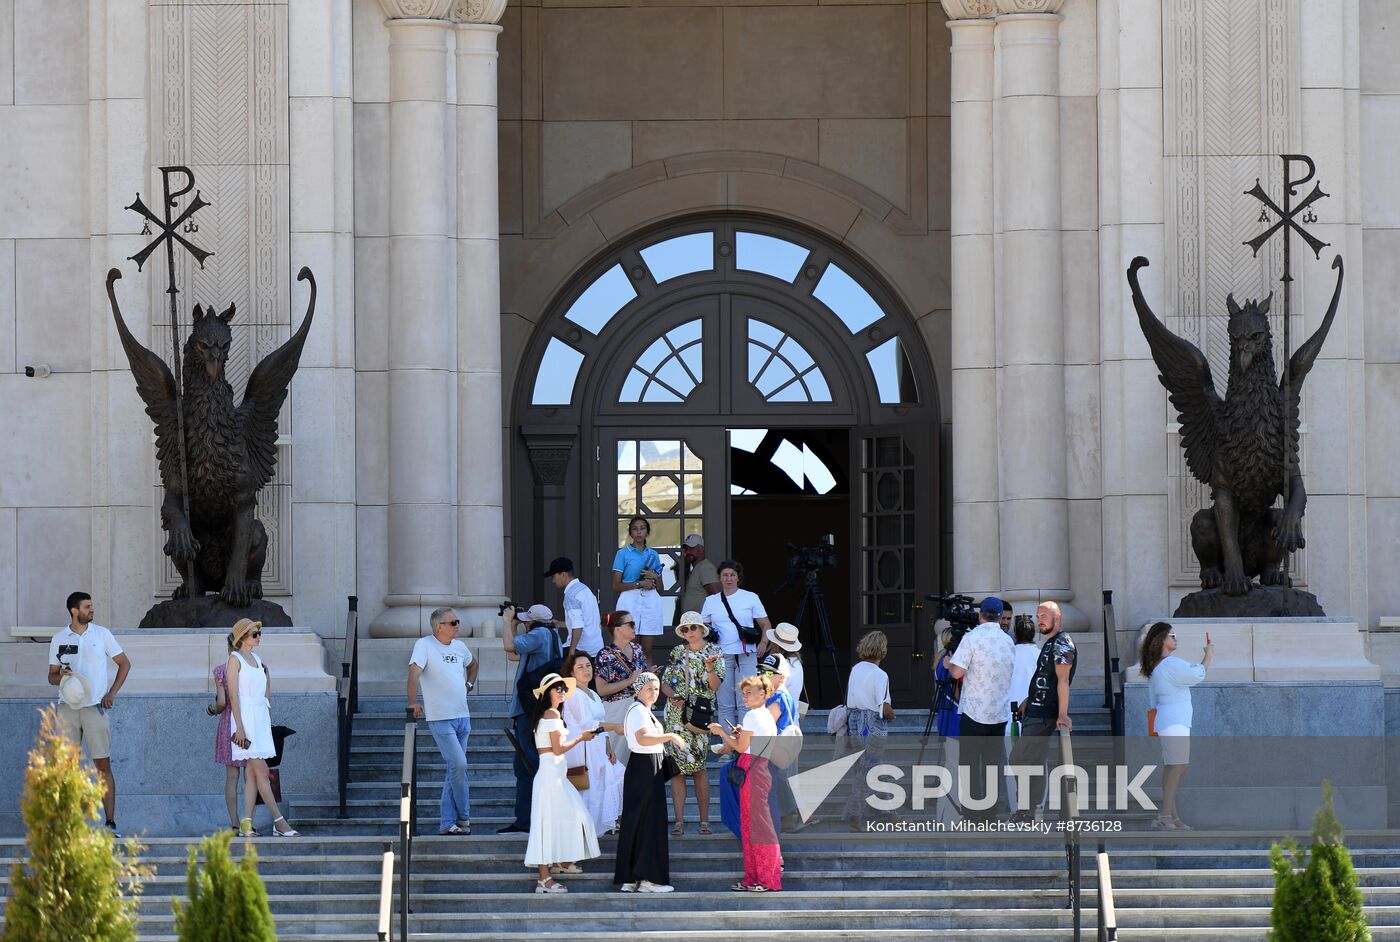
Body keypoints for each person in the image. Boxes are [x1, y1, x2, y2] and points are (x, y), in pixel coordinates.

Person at [48, 591, 132, 836]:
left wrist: (111, 693)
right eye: (87, 607)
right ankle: (69, 825)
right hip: (67, 708)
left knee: (103, 765)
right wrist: (61, 676)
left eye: (91, 606)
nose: (92, 610)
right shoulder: (58, 638)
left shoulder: (102, 634)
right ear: (74, 611)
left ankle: (110, 823)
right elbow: (51, 676)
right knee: (67, 767)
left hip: (95, 707)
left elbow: (125, 664)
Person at [524, 672, 602, 893]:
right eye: (557, 688)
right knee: (551, 823)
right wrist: (581, 737)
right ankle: (544, 879)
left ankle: (560, 862)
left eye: (563, 688)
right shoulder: (552, 714)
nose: (562, 692)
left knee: (568, 817)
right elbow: (558, 749)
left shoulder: (550, 715)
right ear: (547, 693)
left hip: (554, 774)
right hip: (551, 776)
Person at [408, 607, 479, 835]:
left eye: (457, 621)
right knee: (459, 765)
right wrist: (413, 701)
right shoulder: (424, 644)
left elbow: (473, 664)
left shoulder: (460, 646)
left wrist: (469, 685)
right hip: (441, 718)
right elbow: (413, 673)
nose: (458, 625)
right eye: (453, 622)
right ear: (439, 626)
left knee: (455, 769)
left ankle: (448, 822)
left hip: (463, 716)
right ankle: (464, 817)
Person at [614, 671, 686, 893]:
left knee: (640, 821)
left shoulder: (642, 710)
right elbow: (643, 738)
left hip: (645, 767)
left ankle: (632, 877)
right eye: (649, 689)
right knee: (650, 822)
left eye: (656, 689)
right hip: (645, 767)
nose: (654, 693)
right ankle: (649, 879)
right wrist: (671, 736)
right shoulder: (638, 710)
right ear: (638, 690)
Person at [945, 598, 1014, 822]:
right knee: (993, 764)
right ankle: (990, 813)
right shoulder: (1007, 640)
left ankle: (973, 814)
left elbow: (957, 673)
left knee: (970, 764)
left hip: (974, 711)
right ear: (999, 617)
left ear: (980, 615)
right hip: (999, 712)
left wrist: (948, 664)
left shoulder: (972, 638)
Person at [709, 675, 781, 892]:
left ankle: (765, 879)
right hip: (759, 769)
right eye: (744, 693)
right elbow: (747, 744)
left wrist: (721, 732)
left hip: (753, 770)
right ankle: (755, 878)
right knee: (754, 826)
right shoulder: (764, 715)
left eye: (749, 693)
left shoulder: (752, 716)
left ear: (763, 694)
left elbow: (740, 748)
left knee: (757, 827)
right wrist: (738, 736)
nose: (745, 697)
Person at [227, 618, 298, 837]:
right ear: (242, 636)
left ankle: (246, 824)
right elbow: (233, 696)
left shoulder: (257, 659)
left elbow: (265, 689)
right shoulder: (235, 660)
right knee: (263, 772)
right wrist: (240, 728)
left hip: (259, 719)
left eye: (259, 633)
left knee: (252, 774)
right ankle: (279, 822)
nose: (258, 637)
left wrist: (265, 707)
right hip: (245, 721)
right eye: (254, 634)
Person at [1140, 621, 1213, 830]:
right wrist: (1209, 654)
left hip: (1168, 719)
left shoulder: (1158, 666)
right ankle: (1165, 815)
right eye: (1172, 635)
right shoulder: (1170, 664)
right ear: (1162, 639)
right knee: (1179, 765)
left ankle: (1171, 816)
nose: (1175, 638)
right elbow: (1196, 674)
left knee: (1173, 766)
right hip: (1174, 719)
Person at [501, 603, 567, 833]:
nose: (525, 623)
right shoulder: (552, 635)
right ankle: (524, 819)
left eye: (527, 620)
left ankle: (537, 818)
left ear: (534, 622)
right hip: (536, 707)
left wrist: (506, 621)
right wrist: (514, 626)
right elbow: (514, 657)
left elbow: (508, 646)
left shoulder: (539, 634)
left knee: (530, 762)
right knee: (522, 766)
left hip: (528, 709)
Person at [1008, 602, 1075, 823]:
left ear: (1058, 617)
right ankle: (1028, 812)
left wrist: (1062, 714)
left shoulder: (1062, 643)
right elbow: (1044, 678)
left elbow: (1063, 679)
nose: (1040, 621)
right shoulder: (1048, 644)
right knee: (1031, 762)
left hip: (1044, 715)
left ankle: (1027, 809)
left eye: (1044, 616)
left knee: (1018, 758)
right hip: (1034, 710)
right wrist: (1029, 699)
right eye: (1038, 617)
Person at [660, 610, 723, 836]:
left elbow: (715, 686)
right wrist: (673, 696)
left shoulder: (714, 651)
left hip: (699, 716)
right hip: (676, 716)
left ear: (702, 629)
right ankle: (679, 821)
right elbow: (664, 682)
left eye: (693, 627)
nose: (689, 632)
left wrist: (709, 667)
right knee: (677, 771)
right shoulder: (677, 651)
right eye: (685, 629)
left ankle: (704, 821)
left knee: (699, 769)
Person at [560, 651, 625, 836]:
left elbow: (600, 720)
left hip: (598, 744)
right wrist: (614, 726)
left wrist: (609, 746)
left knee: (613, 776)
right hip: (582, 745)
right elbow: (587, 723)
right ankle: (585, 830)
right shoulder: (573, 693)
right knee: (589, 785)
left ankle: (602, 825)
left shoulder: (594, 694)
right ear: (572, 672)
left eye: (588, 665)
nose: (586, 670)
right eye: (580, 667)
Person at [701, 560, 772, 729]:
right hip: (720, 655)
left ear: (738, 578)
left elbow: (765, 624)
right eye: (725, 575)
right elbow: (702, 628)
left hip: (746, 653)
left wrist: (763, 643)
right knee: (725, 704)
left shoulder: (750, 597)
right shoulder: (711, 601)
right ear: (720, 578)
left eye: (732, 575)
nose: (729, 578)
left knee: (746, 701)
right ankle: (728, 743)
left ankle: (745, 742)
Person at [209, 631, 268, 832]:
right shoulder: (258, 665)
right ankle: (249, 822)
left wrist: (212, 709)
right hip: (251, 723)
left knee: (232, 777)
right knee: (251, 776)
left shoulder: (222, 670)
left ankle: (235, 823)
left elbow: (222, 702)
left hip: (230, 725)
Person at [842, 630, 894, 830]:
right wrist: (892, 715)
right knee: (867, 767)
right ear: (883, 650)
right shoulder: (881, 675)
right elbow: (884, 706)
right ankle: (855, 814)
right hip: (872, 722)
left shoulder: (856, 669)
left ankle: (888, 810)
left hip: (854, 720)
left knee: (872, 765)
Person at [595, 610, 649, 769]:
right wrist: (630, 680)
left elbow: (641, 675)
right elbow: (601, 690)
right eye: (631, 624)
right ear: (618, 629)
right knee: (615, 761)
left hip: (638, 707)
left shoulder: (637, 649)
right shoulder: (605, 654)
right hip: (616, 710)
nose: (635, 627)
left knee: (638, 761)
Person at [612, 516, 665, 663]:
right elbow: (616, 585)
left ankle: (648, 678)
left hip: (650, 600)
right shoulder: (623, 553)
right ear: (630, 533)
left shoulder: (653, 554)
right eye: (635, 529)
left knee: (647, 650)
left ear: (647, 532)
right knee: (630, 648)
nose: (639, 532)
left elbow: (661, 589)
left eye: (642, 528)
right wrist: (639, 584)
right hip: (629, 600)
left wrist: (655, 577)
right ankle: (630, 678)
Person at [546, 556, 603, 658]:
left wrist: (572, 652)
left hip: (581, 650)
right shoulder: (585, 589)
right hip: (596, 648)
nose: (553, 581)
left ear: (563, 574)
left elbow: (578, 625)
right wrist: (561, 624)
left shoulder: (571, 595)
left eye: (553, 576)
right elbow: (587, 620)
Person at [765, 623, 805, 710]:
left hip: (773, 715)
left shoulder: (773, 661)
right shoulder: (797, 662)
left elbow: (764, 690)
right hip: (792, 715)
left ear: (775, 644)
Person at [679, 533, 721, 617]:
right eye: (686, 549)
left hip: (701, 620)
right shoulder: (697, 568)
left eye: (691, 548)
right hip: (693, 620)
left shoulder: (705, 567)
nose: (687, 552)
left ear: (701, 549)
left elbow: (716, 597)